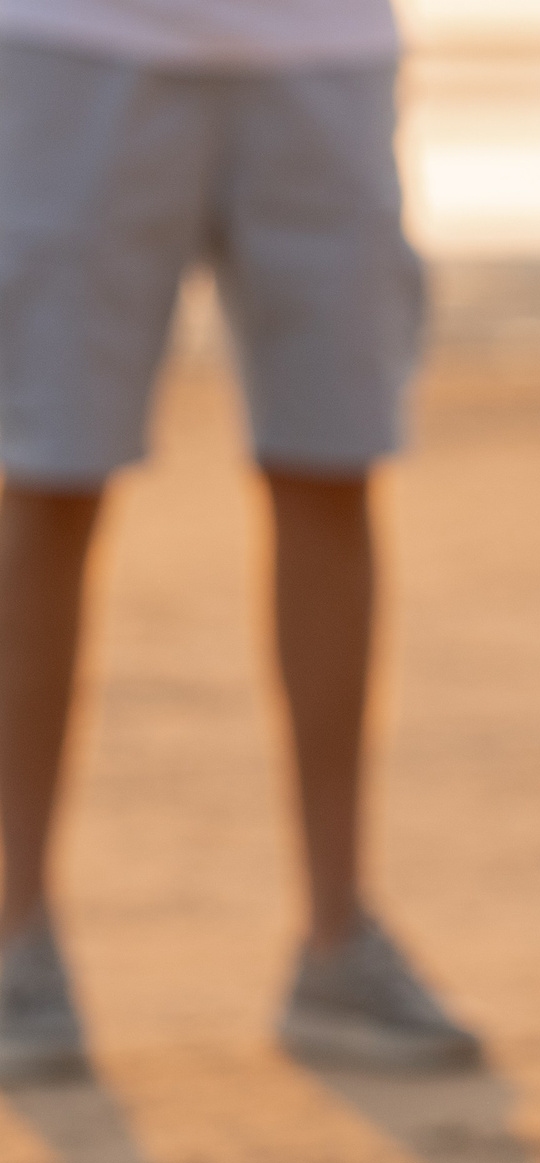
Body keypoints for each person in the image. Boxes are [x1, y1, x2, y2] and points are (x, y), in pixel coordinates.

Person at [0, 0, 481, 1082]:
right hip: (73, 37)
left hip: (327, 43)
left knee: (332, 467)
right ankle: (14, 935)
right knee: (49, 477)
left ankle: (336, 939)